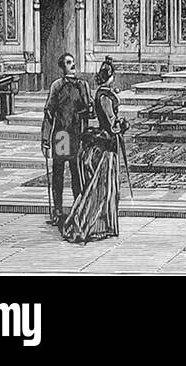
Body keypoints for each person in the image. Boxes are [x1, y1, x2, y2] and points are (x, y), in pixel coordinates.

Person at [62, 59, 127, 244]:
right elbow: (111, 122)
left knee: (106, 188)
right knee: (102, 188)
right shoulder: (105, 96)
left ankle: (105, 225)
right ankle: (89, 224)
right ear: (111, 77)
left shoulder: (102, 93)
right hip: (106, 144)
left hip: (106, 141)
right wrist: (121, 126)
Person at [41, 52, 91, 227]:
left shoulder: (83, 86)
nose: (73, 65)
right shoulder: (57, 85)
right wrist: (45, 139)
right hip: (61, 136)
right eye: (69, 63)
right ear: (62, 66)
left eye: (74, 62)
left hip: (77, 134)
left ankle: (79, 208)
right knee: (58, 175)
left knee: (77, 174)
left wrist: (86, 114)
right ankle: (58, 211)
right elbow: (48, 113)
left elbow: (89, 109)